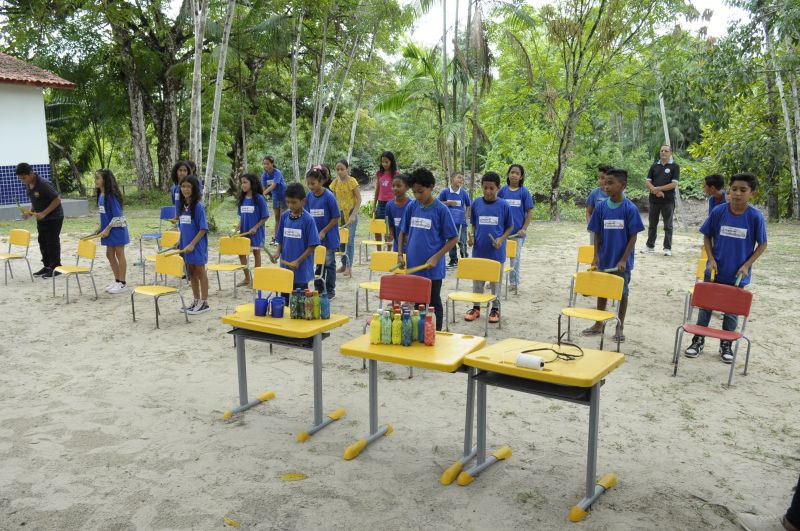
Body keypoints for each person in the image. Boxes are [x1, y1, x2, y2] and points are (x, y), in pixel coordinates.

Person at [684, 173, 767, 363]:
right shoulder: (719, 211)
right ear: (729, 189)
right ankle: (697, 341)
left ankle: (726, 344)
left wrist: (747, 265)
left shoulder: (755, 217)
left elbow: (762, 244)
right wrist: (711, 259)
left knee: (731, 312)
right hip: (714, 272)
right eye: (734, 189)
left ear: (752, 193)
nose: (737, 194)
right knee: (705, 308)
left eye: (743, 190)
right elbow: (707, 235)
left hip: (737, 275)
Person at [583, 169, 644, 342]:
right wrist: (596, 255)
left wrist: (624, 259)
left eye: (610, 183)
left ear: (622, 186)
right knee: (602, 291)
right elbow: (597, 233)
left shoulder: (630, 208)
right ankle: (599, 323)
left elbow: (633, 235)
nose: (606, 186)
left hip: (621, 262)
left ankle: (619, 326)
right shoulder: (601, 207)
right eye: (605, 182)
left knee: (622, 293)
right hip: (604, 258)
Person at [397, 167, 458, 331]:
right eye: (415, 192)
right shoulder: (412, 206)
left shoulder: (441, 210)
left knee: (432, 302)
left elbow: (454, 238)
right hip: (414, 266)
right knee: (417, 302)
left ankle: (436, 333)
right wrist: (400, 254)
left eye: (421, 192)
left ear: (431, 187)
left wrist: (437, 257)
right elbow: (403, 231)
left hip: (432, 268)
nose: (417, 196)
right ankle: (420, 332)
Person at [464, 172, 513, 324]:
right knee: (477, 282)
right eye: (485, 188)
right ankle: (476, 307)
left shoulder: (504, 205)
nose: (488, 192)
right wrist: (471, 237)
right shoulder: (476, 203)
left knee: (495, 283)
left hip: (496, 253)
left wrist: (501, 239)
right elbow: (474, 224)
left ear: (498, 188)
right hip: (479, 251)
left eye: (492, 188)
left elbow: (510, 227)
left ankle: (495, 309)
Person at [16, 163, 64, 278]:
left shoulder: (43, 184)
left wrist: (44, 213)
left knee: (52, 242)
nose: (23, 181)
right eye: (20, 179)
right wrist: (30, 212)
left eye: (24, 178)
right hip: (42, 218)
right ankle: (47, 266)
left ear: (31, 173)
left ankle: (56, 268)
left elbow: (57, 200)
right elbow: (35, 200)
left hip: (54, 217)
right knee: (42, 241)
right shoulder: (29, 184)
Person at [271, 182, 320, 292]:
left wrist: (298, 261)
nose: (290, 205)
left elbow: (312, 246)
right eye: (288, 202)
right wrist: (277, 253)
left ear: (303, 201)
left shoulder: (308, 220)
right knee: (285, 300)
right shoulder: (284, 217)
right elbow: (280, 239)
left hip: (301, 270)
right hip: (285, 267)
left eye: (294, 202)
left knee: (299, 303)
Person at [306, 167, 340, 298]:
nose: (310, 186)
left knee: (329, 264)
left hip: (329, 237)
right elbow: (308, 215)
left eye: (313, 183)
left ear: (320, 182)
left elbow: (336, 216)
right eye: (308, 183)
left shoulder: (329, 196)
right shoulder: (309, 196)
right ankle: (319, 289)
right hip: (315, 237)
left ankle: (330, 291)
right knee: (319, 263)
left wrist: (324, 231)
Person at [178, 175, 210, 315]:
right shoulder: (182, 205)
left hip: (196, 246)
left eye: (188, 187)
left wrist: (192, 244)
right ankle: (196, 299)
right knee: (191, 273)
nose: (185, 189)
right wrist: (180, 241)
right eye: (183, 186)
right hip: (186, 245)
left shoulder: (198, 207)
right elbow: (183, 227)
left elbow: (203, 229)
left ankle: (204, 302)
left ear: (194, 188)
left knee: (200, 272)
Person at [498, 164, 534, 290]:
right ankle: (494, 279)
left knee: (515, 258)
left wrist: (524, 229)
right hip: (502, 233)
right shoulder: (502, 191)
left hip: (517, 233)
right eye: (512, 172)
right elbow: (497, 209)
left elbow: (529, 211)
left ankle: (513, 283)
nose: (514, 175)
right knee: (498, 256)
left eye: (517, 173)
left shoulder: (524, 192)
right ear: (508, 174)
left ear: (521, 176)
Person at [94, 169, 130, 294]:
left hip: (117, 229)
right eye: (95, 178)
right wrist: (100, 228)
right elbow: (105, 215)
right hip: (107, 229)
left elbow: (118, 216)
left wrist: (107, 229)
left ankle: (123, 283)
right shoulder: (101, 195)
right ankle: (117, 280)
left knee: (120, 254)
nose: (96, 180)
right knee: (109, 254)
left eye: (98, 178)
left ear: (105, 180)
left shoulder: (111, 196)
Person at [643, 145, 680, 256]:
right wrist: (655, 191)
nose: (663, 152)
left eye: (666, 151)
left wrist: (658, 188)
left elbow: (673, 184)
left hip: (668, 201)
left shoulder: (675, 166)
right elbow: (648, 181)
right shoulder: (654, 166)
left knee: (667, 225)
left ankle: (667, 248)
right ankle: (650, 246)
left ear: (670, 153)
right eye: (662, 151)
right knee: (652, 224)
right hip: (654, 200)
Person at [236, 173, 270, 287]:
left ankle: (257, 279)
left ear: (252, 183)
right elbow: (242, 216)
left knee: (256, 253)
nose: (243, 185)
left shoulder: (259, 198)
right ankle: (247, 278)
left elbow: (265, 216)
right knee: (241, 254)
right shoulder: (242, 199)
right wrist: (238, 225)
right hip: (244, 232)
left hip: (256, 233)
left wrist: (255, 227)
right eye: (242, 183)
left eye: (245, 182)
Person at [330, 159, 361, 276]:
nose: (340, 171)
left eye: (342, 169)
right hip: (339, 214)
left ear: (347, 169)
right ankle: (343, 265)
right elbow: (332, 199)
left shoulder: (352, 181)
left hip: (351, 213)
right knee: (341, 240)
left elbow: (359, 199)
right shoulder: (335, 183)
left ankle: (349, 266)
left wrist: (353, 214)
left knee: (350, 241)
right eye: (337, 169)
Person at [438, 171, 471, 268]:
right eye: (459, 177)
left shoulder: (464, 192)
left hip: (461, 221)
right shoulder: (445, 192)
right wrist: (448, 203)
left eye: (462, 178)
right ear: (452, 179)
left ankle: (464, 258)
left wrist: (466, 216)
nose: (461, 180)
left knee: (462, 240)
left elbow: (468, 205)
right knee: (451, 240)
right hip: (449, 221)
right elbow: (438, 204)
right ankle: (453, 260)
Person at [372, 151, 398, 246]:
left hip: (392, 203)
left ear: (391, 162)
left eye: (386, 162)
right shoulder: (379, 173)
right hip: (381, 203)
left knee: (389, 228)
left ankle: (388, 251)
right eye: (383, 162)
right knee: (377, 229)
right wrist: (374, 205)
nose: (384, 164)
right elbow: (377, 190)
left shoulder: (395, 173)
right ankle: (378, 250)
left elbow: (398, 189)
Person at [261, 155, 286, 245]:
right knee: (277, 218)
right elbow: (264, 188)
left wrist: (263, 194)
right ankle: (276, 238)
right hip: (275, 197)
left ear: (272, 163)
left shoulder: (277, 172)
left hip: (283, 196)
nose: (266, 166)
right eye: (264, 164)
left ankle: (282, 239)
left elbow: (274, 185)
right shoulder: (264, 175)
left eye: (267, 163)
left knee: (283, 217)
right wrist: (264, 195)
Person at [384, 173, 411, 252]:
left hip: (411, 246)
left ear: (407, 187)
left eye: (399, 186)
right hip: (397, 246)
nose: (395, 188)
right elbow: (390, 224)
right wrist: (390, 235)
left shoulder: (412, 205)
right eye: (393, 186)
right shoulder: (389, 205)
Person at [586, 165, 613, 244]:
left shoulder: (618, 193)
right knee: (595, 253)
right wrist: (590, 226)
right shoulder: (594, 193)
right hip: (596, 230)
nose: (600, 181)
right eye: (599, 178)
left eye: (603, 178)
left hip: (612, 230)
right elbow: (588, 212)